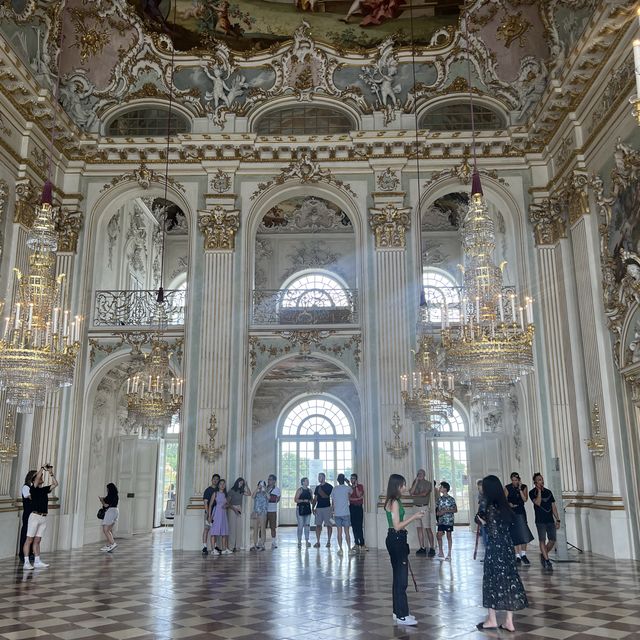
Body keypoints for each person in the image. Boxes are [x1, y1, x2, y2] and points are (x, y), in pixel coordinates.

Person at [476, 475, 528, 633]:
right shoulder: (505, 504)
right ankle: (509, 622)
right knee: (509, 579)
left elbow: (485, 523)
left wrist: (484, 522)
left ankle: (492, 619)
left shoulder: (488, 504)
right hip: (507, 546)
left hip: (495, 547)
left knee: (492, 579)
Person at [384, 473, 425, 626]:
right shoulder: (394, 502)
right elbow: (397, 525)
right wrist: (414, 517)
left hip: (396, 539)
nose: (406, 487)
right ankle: (402, 615)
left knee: (397, 577)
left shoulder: (394, 500)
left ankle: (397, 612)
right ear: (397, 486)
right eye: (403, 485)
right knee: (401, 579)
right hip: (396, 539)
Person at [23, 464, 58, 570]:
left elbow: (55, 483)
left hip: (43, 517)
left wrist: (51, 473)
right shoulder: (33, 489)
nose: (42, 478)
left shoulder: (44, 490)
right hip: (34, 516)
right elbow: (37, 478)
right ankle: (26, 562)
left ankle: (37, 561)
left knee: (37, 540)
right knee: (29, 539)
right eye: (40, 477)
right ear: (34, 481)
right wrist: (42, 468)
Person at [529, 473, 561, 571]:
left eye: (542, 479)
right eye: (539, 480)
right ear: (535, 482)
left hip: (550, 520)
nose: (541, 481)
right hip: (540, 521)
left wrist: (558, 519)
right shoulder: (532, 492)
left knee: (552, 540)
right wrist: (538, 491)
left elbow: (553, 507)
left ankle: (544, 554)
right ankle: (547, 561)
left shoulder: (549, 492)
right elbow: (538, 503)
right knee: (542, 540)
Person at [505, 472, 533, 564]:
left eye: (516, 480)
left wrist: (520, 489)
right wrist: (508, 504)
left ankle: (523, 554)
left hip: (520, 510)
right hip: (511, 511)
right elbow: (504, 500)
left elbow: (525, 499)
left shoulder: (524, 487)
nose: (514, 482)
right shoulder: (507, 487)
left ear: (519, 480)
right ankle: (517, 555)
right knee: (514, 532)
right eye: (512, 480)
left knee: (523, 531)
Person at [410, 469, 435, 557]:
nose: (419, 475)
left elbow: (425, 494)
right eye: (418, 473)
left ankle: (432, 548)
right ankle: (422, 547)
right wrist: (416, 482)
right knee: (419, 528)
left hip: (424, 507)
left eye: (421, 473)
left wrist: (415, 495)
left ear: (424, 474)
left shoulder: (428, 483)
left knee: (427, 528)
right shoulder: (415, 483)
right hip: (415, 507)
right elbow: (411, 492)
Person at [332, 473, 353, 555]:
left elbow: (333, 502)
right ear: (343, 480)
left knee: (339, 532)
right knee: (347, 532)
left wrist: (332, 511)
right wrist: (348, 482)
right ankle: (349, 549)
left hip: (337, 513)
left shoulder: (334, 489)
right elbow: (352, 491)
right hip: (346, 513)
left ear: (337, 480)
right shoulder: (347, 488)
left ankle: (340, 549)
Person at [228, 477, 251, 552]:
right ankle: (231, 546)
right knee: (232, 528)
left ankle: (237, 546)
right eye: (240, 482)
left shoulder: (241, 491)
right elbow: (228, 503)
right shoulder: (231, 491)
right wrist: (234, 509)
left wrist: (247, 485)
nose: (241, 484)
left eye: (242, 483)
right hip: (232, 509)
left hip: (239, 508)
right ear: (237, 482)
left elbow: (249, 494)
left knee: (238, 527)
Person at [436, 481, 457, 560]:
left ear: (445, 489)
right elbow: (437, 511)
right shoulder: (439, 499)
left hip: (449, 521)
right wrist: (438, 514)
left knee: (449, 536)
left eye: (441, 487)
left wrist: (446, 511)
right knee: (439, 535)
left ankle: (449, 553)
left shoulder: (451, 499)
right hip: (441, 521)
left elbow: (455, 510)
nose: (439, 488)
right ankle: (441, 552)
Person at [18, 470, 36, 564]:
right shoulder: (26, 487)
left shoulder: (34, 488)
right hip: (28, 513)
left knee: (32, 534)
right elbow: (31, 497)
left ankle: (30, 553)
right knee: (25, 534)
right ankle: (22, 554)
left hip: (34, 514)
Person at [210, 479, 231, 555]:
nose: (222, 485)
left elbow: (228, 504)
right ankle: (213, 550)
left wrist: (226, 505)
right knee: (214, 531)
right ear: (218, 485)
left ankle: (224, 549)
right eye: (221, 484)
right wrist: (209, 516)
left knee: (224, 531)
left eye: (223, 484)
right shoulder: (215, 493)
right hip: (216, 513)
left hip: (223, 514)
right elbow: (210, 505)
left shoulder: (225, 494)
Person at [312, 472, 333, 548]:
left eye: (320, 477)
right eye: (318, 477)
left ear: (324, 477)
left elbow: (325, 496)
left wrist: (333, 509)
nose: (318, 478)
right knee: (318, 525)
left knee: (329, 525)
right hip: (319, 508)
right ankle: (318, 542)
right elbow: (315, 498)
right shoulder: (317, 487)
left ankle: (328, 541)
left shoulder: (329, 486)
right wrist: (313, 507)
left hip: (327, 508)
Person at [202, 474, 220, 555]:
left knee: (215, 530)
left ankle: (215, 546)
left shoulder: (219, 490)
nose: (215, 480)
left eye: (217, 479)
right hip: (209, 513)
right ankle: (204, 547)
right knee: (206, 529)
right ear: (212, 480)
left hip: (216, 514)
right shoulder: (208, 490)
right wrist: (208, 514)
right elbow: (205, 502)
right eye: (214, 479)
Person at [99, 483, 119, 552]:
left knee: (105, 529)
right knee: (108, 530)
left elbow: (106, 505)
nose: (107, 490)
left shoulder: (110, 496)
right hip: (115, 511)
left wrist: (101, 500)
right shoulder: (116, 495)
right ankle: (110, 544)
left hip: (110, 512)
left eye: (107, 488)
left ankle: (113, 543)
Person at [349, 472, 366, 551]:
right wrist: (358, 499)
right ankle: (356, 543)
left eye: (353, 478)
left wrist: (355, 487)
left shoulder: (360, 486)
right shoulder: (349, 488)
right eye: (351, 478)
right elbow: (349, 499)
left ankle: (362, 544)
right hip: (352, 508)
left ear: (356, 479)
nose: (352, 480)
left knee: (359, 526)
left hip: (359, 508)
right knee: (354, 526)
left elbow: (360, 495)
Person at [294, 477, 313, 548]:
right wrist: (303, 500)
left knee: (307, 525)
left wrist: (311, 500)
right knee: (301, 525)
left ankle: (307, 541)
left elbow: (311, 500)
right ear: (303, 482)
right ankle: (299, 541)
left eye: (308, 481)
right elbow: (295, 500)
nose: (308, 482)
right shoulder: (300, 490)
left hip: (307, 509)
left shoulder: (309, 490)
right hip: (300, 509)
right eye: (306, 481)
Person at [251, 480, 268, 551]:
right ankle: (255, 544)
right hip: (256, 512)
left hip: (263, 513)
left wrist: (265, 490)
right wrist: (257, 488)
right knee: (255, 529)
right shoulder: (256, 493)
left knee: (263, 529)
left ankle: (262, 544)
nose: (261, 486)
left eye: (263, 485)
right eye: (260, 484)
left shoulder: (266, 493)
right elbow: (253, 496)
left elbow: (269, 497)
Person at [265, 474, 281, 549]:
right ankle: (260, 542)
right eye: (268, 479)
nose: (269, 481)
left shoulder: (277, 489)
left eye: (270, 479)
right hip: (264, 510)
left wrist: (269, 497)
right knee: (262, 527)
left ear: (274, 481)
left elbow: (276, 500)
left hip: (272, 510)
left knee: (273, 527)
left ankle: (274, 542)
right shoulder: (265, 488)